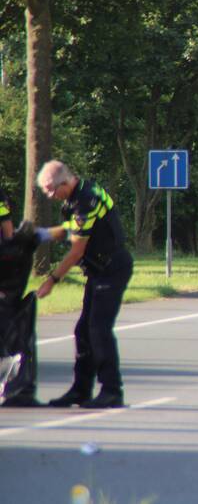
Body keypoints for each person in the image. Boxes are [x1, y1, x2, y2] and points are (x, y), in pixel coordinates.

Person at [35, 161, 133, 409]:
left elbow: (77, 250)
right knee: (83, 331)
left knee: (98, 329)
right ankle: (81, 390)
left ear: (65, 182)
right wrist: (41, 234)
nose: (50, 196)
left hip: (112, 268)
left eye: (51, 190)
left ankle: (112, 391)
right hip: (99, 270)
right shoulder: (77, 197)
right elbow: (72, 228)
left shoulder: (86, 200)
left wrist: (52, 280)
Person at [0, 221, 50, 407]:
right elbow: (56, 232)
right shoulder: (22, 246)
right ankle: (16, 386)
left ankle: (14, 386)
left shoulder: (13, 250)